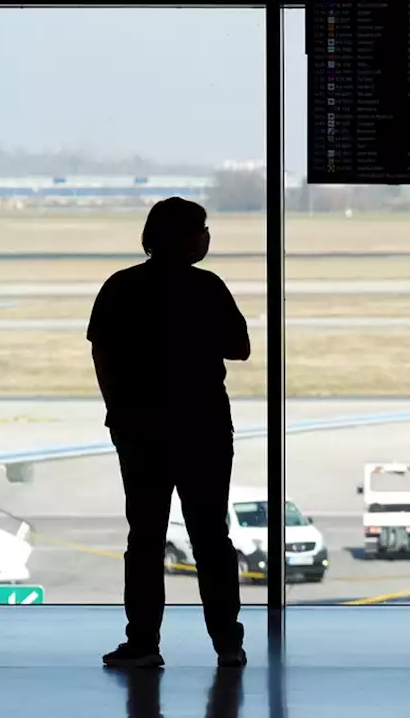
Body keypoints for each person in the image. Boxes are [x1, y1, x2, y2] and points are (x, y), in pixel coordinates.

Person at [88, 197, 250, 669]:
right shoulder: (207, 288)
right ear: (183, 237)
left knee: (144, 538)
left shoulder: (120, 287)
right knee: (211, 538)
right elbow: (239, 348)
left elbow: (101, 356)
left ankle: (142, 643)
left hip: (140, 430)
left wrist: (117, 411)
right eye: (201, 228)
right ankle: (227, 643)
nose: (206, 236)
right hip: (204, 428)